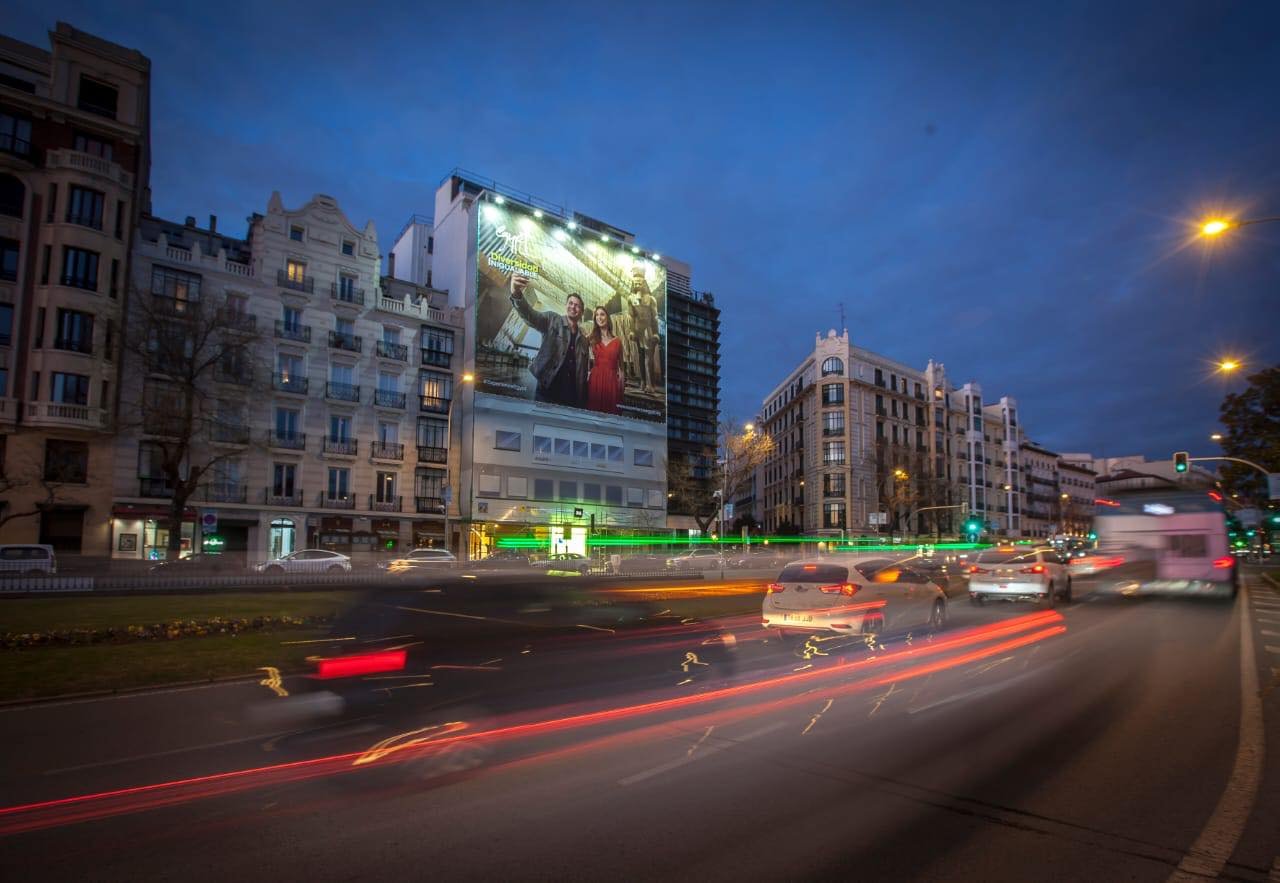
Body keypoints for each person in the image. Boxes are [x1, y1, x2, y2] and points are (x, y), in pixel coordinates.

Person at [508, 274, 589, 408]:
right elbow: (530, 316)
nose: (573, 307)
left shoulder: (584, 341)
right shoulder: (552, 319)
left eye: (577, 306)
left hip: (571, 398)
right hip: (547, 392)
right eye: (570, 303)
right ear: (566, 305)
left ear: (581, 312)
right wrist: (516, 293)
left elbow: (583, 372)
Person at [586, 306, 625, 414]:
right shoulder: (591, 338)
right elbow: (581, 354)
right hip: (596, 380)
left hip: (612, 381)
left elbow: (621, 366)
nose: (599, 317)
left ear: (607, 317)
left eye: (602, 314)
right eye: (597, 315)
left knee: (612, 413)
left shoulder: (617, 341)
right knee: (594, 414)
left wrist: (622, 383)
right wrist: (587, 371)